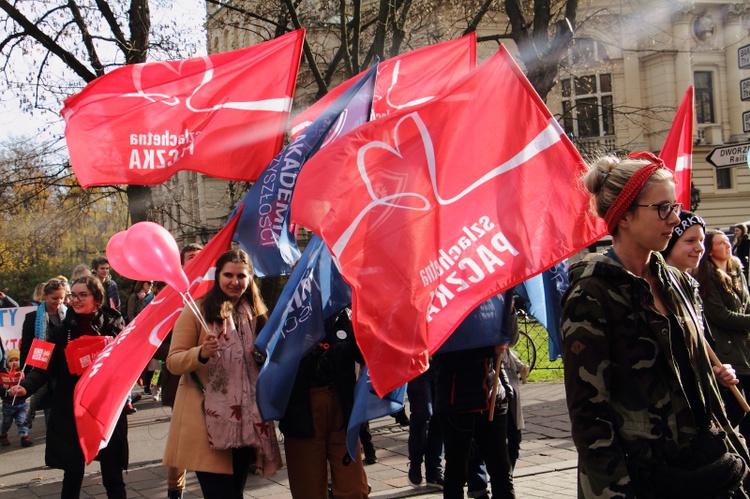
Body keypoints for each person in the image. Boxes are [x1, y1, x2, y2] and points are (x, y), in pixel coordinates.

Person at [563, 152, 749, 498]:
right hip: (642, 478)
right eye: (662, 208)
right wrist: (617, 490)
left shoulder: (677, 282)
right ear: (625, 217)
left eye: (675, 206)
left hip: (702, 469)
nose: (674, 218)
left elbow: (695, 378)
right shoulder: (592, 293)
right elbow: (589, 412)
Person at [163, 249, 282, 499]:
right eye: (228, 274)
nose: (234, 282)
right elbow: (173, 362)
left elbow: (268, 357)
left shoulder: (256, 314)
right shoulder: (197, 311)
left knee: (235, 494)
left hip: (246, 423)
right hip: (208, 423)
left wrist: (264, 358)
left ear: (250, 279)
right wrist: (201, 353)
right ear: (218, 276)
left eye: (241, 276)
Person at [8, 276, 128, 498]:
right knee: (72, 474)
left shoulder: (114, 326)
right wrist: (25, 387)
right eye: (74, 295)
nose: (76, 300)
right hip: (72, 410)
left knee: (113, 476)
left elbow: (127, 363)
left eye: (83, 295)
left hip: (106, 410)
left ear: (97, 298)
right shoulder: (62, 331)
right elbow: (42, 369)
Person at [279, 307, 370, 498]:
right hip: (301, 414)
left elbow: (365, 354)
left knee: (354, 489)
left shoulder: (344, 315)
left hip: (341, 413)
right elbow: (268, 360)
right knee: (308, 490)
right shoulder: (287, 315)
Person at [693, 229, 750, 438]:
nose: (727, 245)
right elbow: (720, 314)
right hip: (728, 353)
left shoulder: (737, 272)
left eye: (727, 241)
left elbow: (746, 306)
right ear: (710, 250)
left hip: (745, 350)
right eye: (721, 243)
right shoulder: (707, 277)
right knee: (736, 409)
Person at [156, 243, 201, 499]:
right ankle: (176, 489)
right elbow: (153, 342)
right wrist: (181, 355)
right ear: (182, 264)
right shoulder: (169, 297)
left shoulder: (218, 291)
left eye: (201, 256)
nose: (198, 261)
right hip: (181, 379)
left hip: (216, 381)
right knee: (181, 439)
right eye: (192, 258)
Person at [20, 278, 69, 429]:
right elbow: (27, 347)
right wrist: (26, 371)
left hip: (64, 367)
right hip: (43, 367)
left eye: (61, 298)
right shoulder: (32, 318)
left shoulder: (69, 316)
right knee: (49, 405)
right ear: (45, 296)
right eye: (54, 298)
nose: (58, 302)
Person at [406, 365, 444, 488]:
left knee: (440, 415)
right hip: (418, 365)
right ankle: (415, 464)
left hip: (441, 364)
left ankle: (434, 470)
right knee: (422, 413)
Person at [0, 349, 32, 447]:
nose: (14, 362)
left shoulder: (22, 372)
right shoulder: (4, 374)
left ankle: (24, 436)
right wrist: (3, 388)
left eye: (16, 360)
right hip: (8, 404)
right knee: (6, 422)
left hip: (21, 403)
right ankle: (3, 434)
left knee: (22, 421)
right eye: (11, 360)